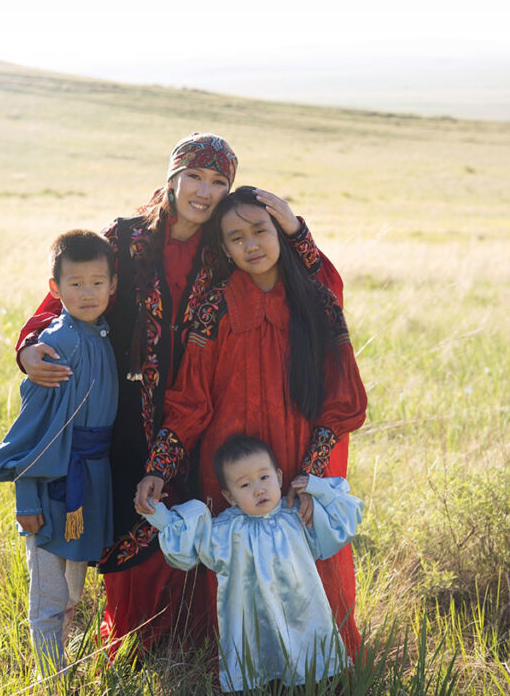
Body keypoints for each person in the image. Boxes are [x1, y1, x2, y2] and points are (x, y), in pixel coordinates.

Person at [16, 134, 348, 654]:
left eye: (218, 182)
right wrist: (30, 345)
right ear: (172, 177)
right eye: (193, 176)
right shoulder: (125, 239)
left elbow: (309, 286)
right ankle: (134, 641)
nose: (203, 191)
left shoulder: (225, 244)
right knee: (132, 519)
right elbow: (73, 291)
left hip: (201, 409)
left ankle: (193, 642)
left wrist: (295, 229)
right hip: (125, 411)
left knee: (190, 520)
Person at [136, 186, 368, 659]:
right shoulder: (214, 306)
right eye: (236, 238)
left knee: (306, 568)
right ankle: (242, 677)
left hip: (295, 462)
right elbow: (190, 401)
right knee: (237, 572)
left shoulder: (317, 302)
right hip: (231, 469)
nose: (251, 245)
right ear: (224, 249)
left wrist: (310, 477)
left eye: (260, 230)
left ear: (280, 232)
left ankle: (320, 675)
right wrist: (159, 466)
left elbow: (342, 400)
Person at [0, 230, 118, 676]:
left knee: (73, 592)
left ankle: (60, 667)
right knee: (49, 594)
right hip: (50, 488)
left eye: (97, 282)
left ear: (113, 286)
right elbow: (32, 431)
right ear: (55, 288)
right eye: (75, 283)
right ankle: (51, 684)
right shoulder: (57, 345)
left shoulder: (102, 335)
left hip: (90, 484)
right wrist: (26, 500)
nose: (88, 293)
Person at [138, 434, 363, 692]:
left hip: (302, 613)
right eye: (245, 485)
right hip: (252, 619)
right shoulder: (227, 531)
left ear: (279, 477)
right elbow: (191, 541)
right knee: (260, 670)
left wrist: (316, 486)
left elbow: (340, 522)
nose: (259, 489)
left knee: (311, 666)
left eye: (264, 477)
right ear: (230, 496)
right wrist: (157, 514)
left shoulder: (296, 516)